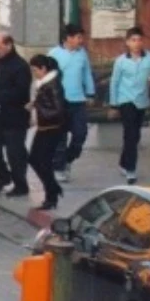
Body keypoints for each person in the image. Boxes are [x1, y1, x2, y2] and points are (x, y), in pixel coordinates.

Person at [108, 26, 150, 185]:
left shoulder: (149, 58)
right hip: (125, 100)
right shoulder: (121, 61)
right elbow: (115, 82)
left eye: (139, 40)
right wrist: (114, 105)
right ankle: (131, 170)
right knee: (130, 134)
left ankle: (123, 162)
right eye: (133, 40)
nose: (137, 43)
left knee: (135, 135)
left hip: (141, 101)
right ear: (127, 42)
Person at [0, 34, 32, 198]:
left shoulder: (20, 67)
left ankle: (21, 185)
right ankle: (4, 176)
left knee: (15, 153)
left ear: (9, 45)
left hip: (15, 118)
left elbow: (20, 92)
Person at [48, 23, 96, 184]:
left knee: (80, 134)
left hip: (78, 101)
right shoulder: (54, 54)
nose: (81, 40)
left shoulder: (82, 54)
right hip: (60, 102)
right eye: (78, 37)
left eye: (81, 37)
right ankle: (58, 168)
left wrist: (90, 93)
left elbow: (87, 74)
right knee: (60, 138)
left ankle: (68, 159)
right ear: (68, 38)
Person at [27, 54, 66, 212]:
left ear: (43, 69)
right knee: (36, 160)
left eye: (35, 70)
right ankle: (53, 189)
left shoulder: (52, 85)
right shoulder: (44, 84)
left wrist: (37, 107)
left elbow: (58, 110)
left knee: (41, 161)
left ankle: (52, 194)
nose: (34, 73)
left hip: (52, 129)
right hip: (44, 128)